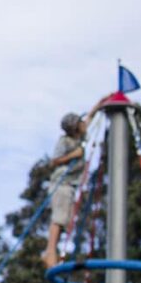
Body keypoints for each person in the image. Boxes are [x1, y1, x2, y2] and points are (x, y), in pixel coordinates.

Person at [43, 94, 110, 269]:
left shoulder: (81, 135)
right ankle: (50, 253)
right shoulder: (65, 141)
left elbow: (91, 116)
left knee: (67, 219)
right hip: (62, 183)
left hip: (71, 185)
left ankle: (58, 252)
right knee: (59, 218)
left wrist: (103, 101)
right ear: (74, 129)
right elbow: (54, 161)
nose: (83, 124)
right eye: (79, 123)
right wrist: (73, 155)